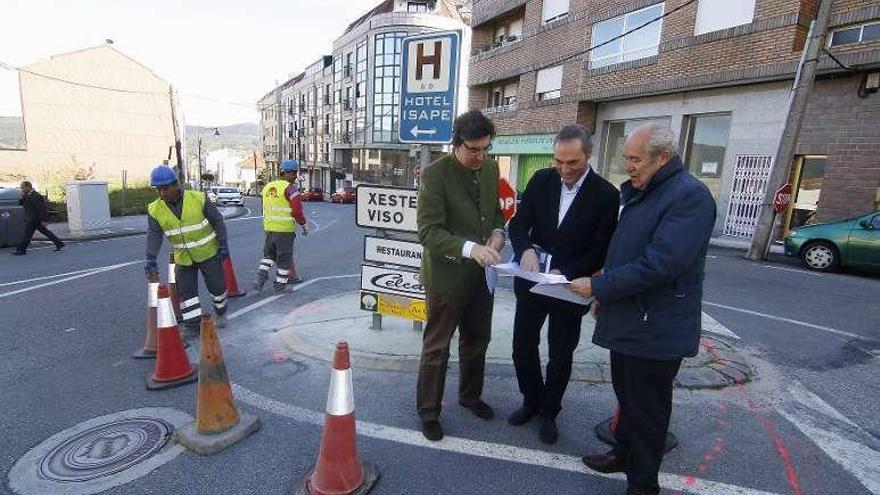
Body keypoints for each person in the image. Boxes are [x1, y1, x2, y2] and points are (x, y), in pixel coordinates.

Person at [571, 123, 716, 495]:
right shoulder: (645, 190)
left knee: (648, 411)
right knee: (626, 398)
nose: (628, 167)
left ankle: (643, 484)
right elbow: (628, 251)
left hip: (657, 325)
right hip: (631, 317)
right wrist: (607, 291)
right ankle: (622, 453)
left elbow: (661, 264)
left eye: (635, 159)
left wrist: (600, 285)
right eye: (626, 159)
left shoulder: (689, 197)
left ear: (663, 157)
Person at [506, 124, 619, 444]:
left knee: (560, 354)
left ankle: (548, 411)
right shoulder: (542, 179)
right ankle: (530, 400)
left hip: (570, 287)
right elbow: (519, 222)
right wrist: (524, 248)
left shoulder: (606, 194)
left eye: (573, 163)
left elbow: (601, 248)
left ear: (588, 156)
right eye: (559, 161)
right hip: (531, 283)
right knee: (522, 347)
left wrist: (563, 272)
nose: (564, 169)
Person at [416, 109, 505, 441]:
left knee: (477, 340)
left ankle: (470, 395)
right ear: (457, 144)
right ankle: (428, 410)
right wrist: (472, 248)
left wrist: (497, 235)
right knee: (437, 347)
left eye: (486, 148)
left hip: (482, 277)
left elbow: (495, 211)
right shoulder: (435, 174)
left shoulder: (492, 168)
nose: (481, 156)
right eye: (474, 150)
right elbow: (428, 232)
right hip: (446, 278)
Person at [145, 165, 231, 339]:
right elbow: (154, 235)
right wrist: (150, 258)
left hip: (208, 252)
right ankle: (192, 326)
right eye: (158, 190)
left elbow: (217, 220)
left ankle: (221, 311)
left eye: (166, 188)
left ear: (176, 184)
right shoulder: (154, 209)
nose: (162, 193)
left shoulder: (198, 198)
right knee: (187, 293)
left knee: (218, 287)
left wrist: (223, 245)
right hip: (183, 257)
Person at [253, 159, 309, 293]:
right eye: (294, 173)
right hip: (284, 231)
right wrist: (304, 225)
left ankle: (260, 277)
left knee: (269, 255)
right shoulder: (291, 190)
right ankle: (280, 286)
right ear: (287, 173)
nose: (295, 176)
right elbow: (297, 211)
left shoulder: (267, 187)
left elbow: (263, 207)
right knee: (284, 259)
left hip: (269, 229)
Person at [12, 181, 64, 255]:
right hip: (31, 218)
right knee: (45, 232)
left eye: (23, 187)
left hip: (34, 219)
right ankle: (59, 243)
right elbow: (22, 204)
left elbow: (41, 208)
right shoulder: (27, 195)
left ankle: (21, 250)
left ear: (28, 187)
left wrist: (44, 220)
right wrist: (22, 197)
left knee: (27, 235)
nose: (22, 189)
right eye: (21, 187)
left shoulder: (36, 195)